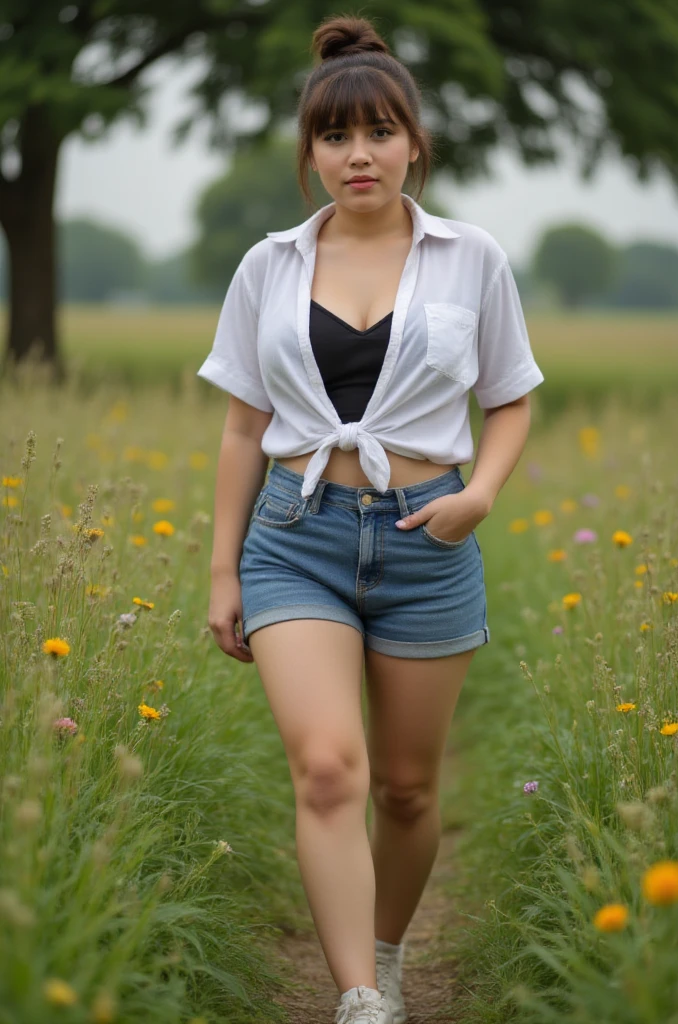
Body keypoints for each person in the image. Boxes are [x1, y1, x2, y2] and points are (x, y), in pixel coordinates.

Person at [198, 12, 545, 1024]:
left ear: (414, 142)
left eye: (380, 132)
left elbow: (512, 397)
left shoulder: (469, 256)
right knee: (325, 766)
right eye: (337, 137)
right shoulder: (267, 265)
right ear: (309, 153)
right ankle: (359, 997)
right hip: (293, 538)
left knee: (402, 789)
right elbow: (238, 427)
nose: (360, 155)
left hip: (426, 539)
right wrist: (223, 572)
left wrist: (476, 495)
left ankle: (389, 951)